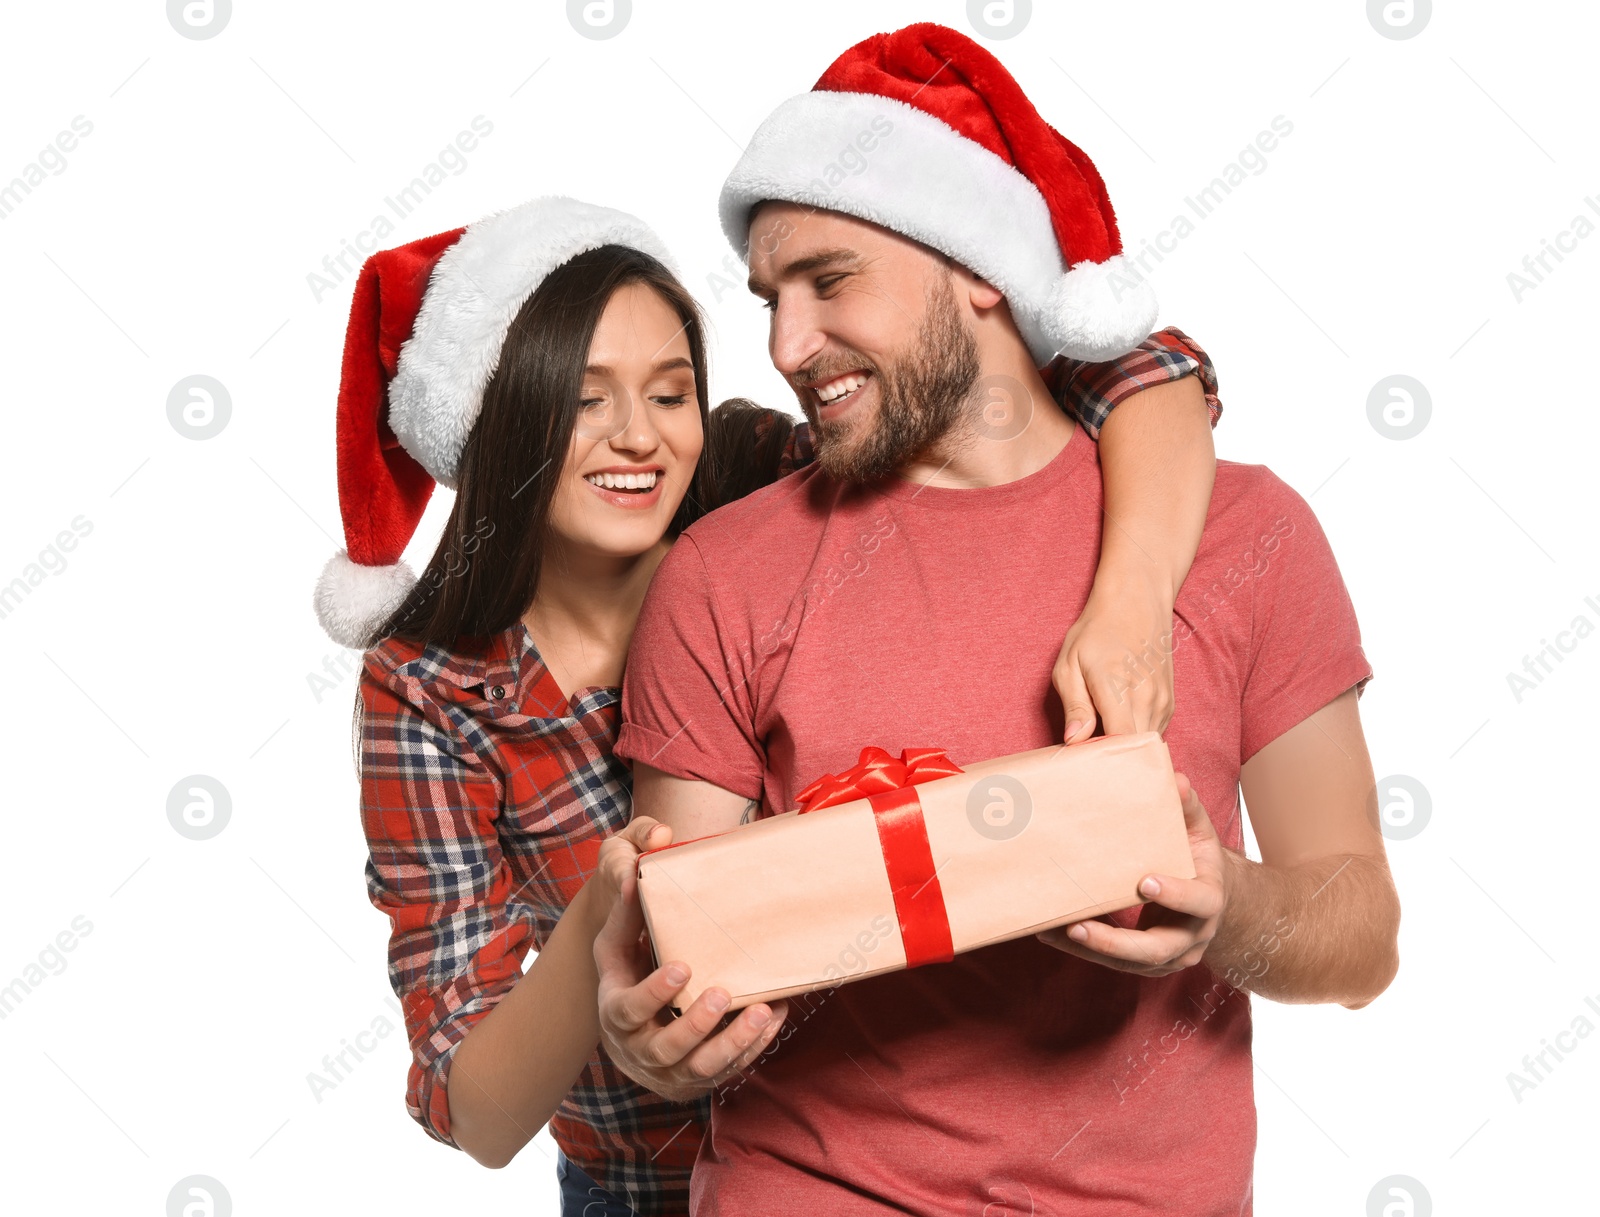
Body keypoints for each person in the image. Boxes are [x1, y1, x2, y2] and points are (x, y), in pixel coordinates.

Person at [596, 23, 1402, 1217]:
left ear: (978, 266)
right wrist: (643, 1038)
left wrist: (1225, 909)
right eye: (770, 299)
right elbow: (680, 950)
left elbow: (1360, 935)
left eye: (830, 280)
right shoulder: (723, 571)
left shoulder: (1241, 532)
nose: (783, 345)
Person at [313, 195, 1223, 1215]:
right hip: (647, 1183)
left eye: (669, 393)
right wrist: (624, 920)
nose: (640, 439)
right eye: (582, 401)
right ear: (494, 418)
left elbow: (1134, 366)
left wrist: (1131, 604)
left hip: (875, 1154)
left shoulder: (751, 488)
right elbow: (468, 1106)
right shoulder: (430, 685)